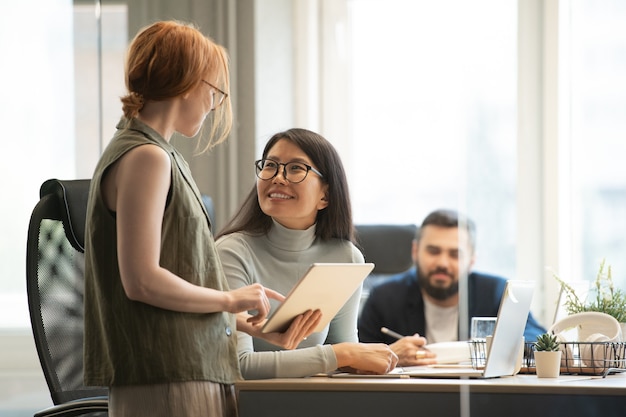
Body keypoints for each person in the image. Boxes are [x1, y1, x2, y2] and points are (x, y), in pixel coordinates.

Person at [83, 21, 282, 417]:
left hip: (185, 369)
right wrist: (228, 298)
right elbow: (141, 280)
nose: (213, 104)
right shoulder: (147, 157)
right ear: (191, 82)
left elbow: (172, 273)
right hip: (169, 375)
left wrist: (233, 318)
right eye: (214, 92)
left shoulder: (159, 154)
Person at [215, 128, 399, 379]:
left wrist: (379, 356)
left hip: (316, 400)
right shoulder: (232, 252)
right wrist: (340, 356)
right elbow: (240, 365)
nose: (278, 177)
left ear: (325, 195)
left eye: (295, 169)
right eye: (270, 165)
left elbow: (345, 351)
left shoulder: (346, 258)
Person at [358, 209, 546, 366]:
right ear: (415, 252)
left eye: (455, 254)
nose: (443, 263)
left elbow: (538, 341)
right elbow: (356, 358)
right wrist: (392, 355)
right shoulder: (385, 298)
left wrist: (491, 348)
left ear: (472, 260)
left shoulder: (496, 293)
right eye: (433, 251)